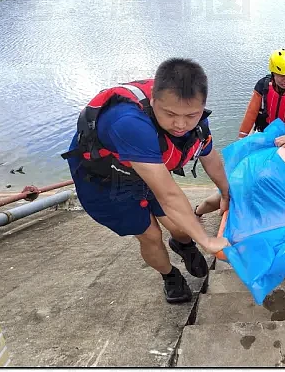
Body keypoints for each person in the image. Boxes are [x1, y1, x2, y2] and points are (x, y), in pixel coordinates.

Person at [61, 58, 231, 304]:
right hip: (106, 181)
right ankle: (169, 275)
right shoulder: (130, 123)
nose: (181, 124)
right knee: (150, 234)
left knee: (180, 226)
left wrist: (225, 191)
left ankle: (183, 244)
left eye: (191, 115)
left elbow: (208, 155)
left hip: (146, 167)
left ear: (201, 106)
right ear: (153, 101)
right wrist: (206, 240)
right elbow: (168, 194)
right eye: (170, 114)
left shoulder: (195, 119)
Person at [237, 49, 285, 139]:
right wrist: (241, 138)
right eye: (282, 76)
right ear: (273, 74)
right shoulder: (263, 85)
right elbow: (251, 112)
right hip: (265, 132)